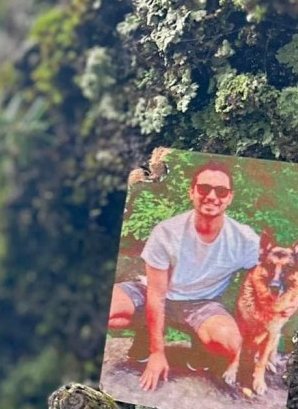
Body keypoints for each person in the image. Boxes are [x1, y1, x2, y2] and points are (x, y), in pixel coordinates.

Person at [107, 162, 259, 391]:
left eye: (221, 191)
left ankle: (200, 344)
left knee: (232, 344)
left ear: (230, 197)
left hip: (202, 304)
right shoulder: (167, 232)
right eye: (204, 188)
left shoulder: (245, 239)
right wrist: (157, 353)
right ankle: (147, 335)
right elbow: (156, 296)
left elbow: (263, 282)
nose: (211, 196)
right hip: (154, 293)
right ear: (192, 191)